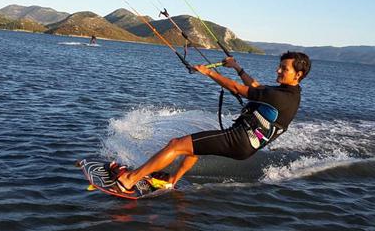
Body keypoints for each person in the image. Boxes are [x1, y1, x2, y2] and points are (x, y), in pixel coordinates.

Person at [115, 51, 311, 192]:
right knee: (196, 147)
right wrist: (237, 67)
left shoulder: (280, 97)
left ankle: (130, 180)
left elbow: (236, 88)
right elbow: (255, 86)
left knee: (176, 145)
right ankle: (172, 180)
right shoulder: (290, 94)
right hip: (246, 143)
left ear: (298, 74)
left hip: (238, 138)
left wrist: (208, 72)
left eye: (284, 69)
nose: (278, 70)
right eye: (279, 66)